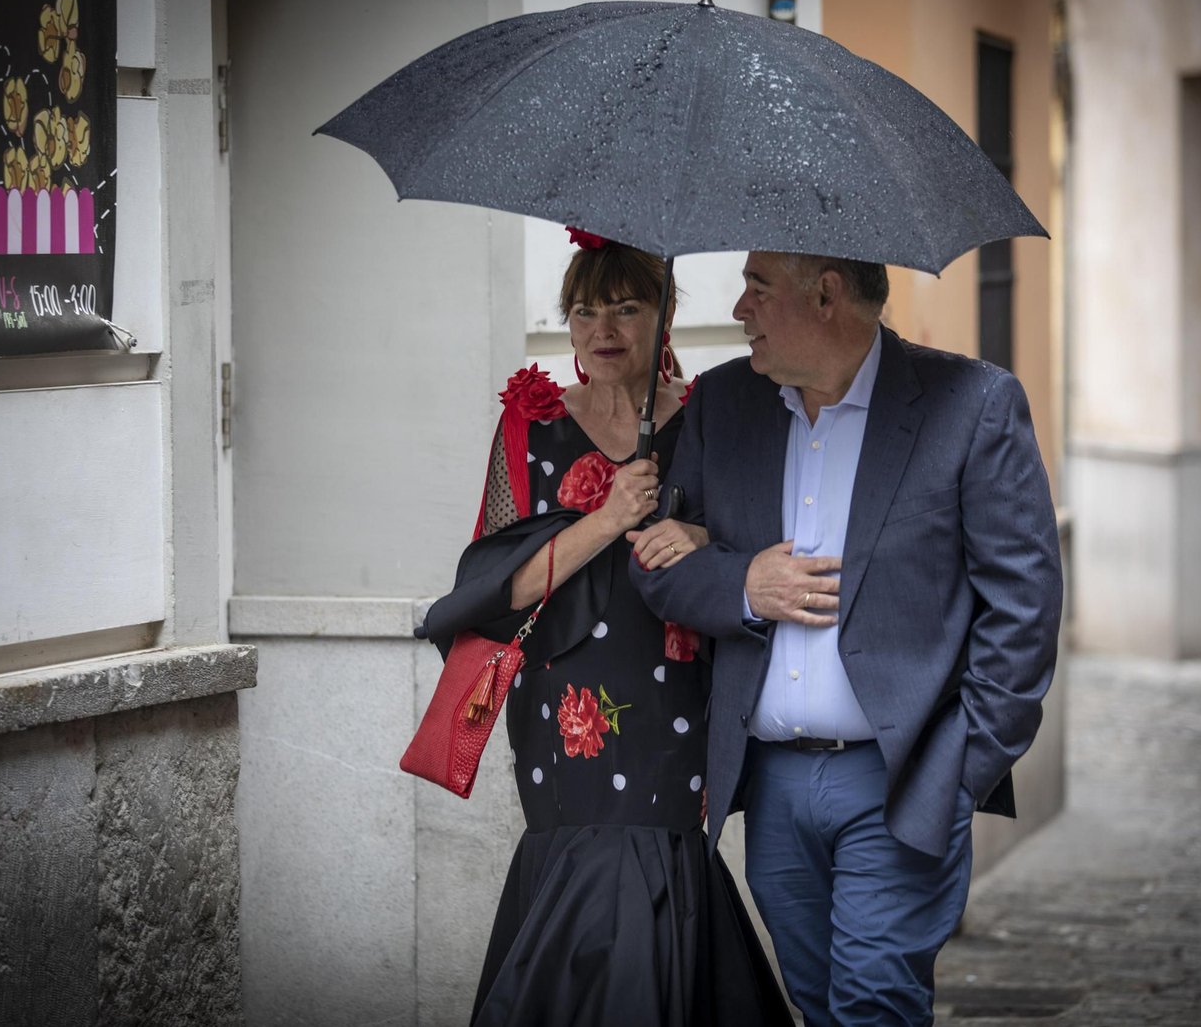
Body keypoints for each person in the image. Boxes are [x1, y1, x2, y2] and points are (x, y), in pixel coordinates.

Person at [631, 251, 1063, 1027]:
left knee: (873, 1004)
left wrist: (963, 766)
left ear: (826, 295)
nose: (738, 310)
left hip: (901, 779)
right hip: (774, 787)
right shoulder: (724, 402)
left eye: (757, 288)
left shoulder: (971, 403)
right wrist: (741, 585)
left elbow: (1024, 604)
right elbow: (660, 568)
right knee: (821, 1004)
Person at [422, 229, 789, 1027]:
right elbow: (496, 590)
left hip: (677, 698)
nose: (604, 329)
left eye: (626, 307)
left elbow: (758, 550)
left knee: (665, 862)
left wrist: (697, 541)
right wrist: (607, 516)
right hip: (566, 707)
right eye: (584, 311)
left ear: (664, 314)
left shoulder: (711, 419)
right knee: (585, 870)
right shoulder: (531, 425)